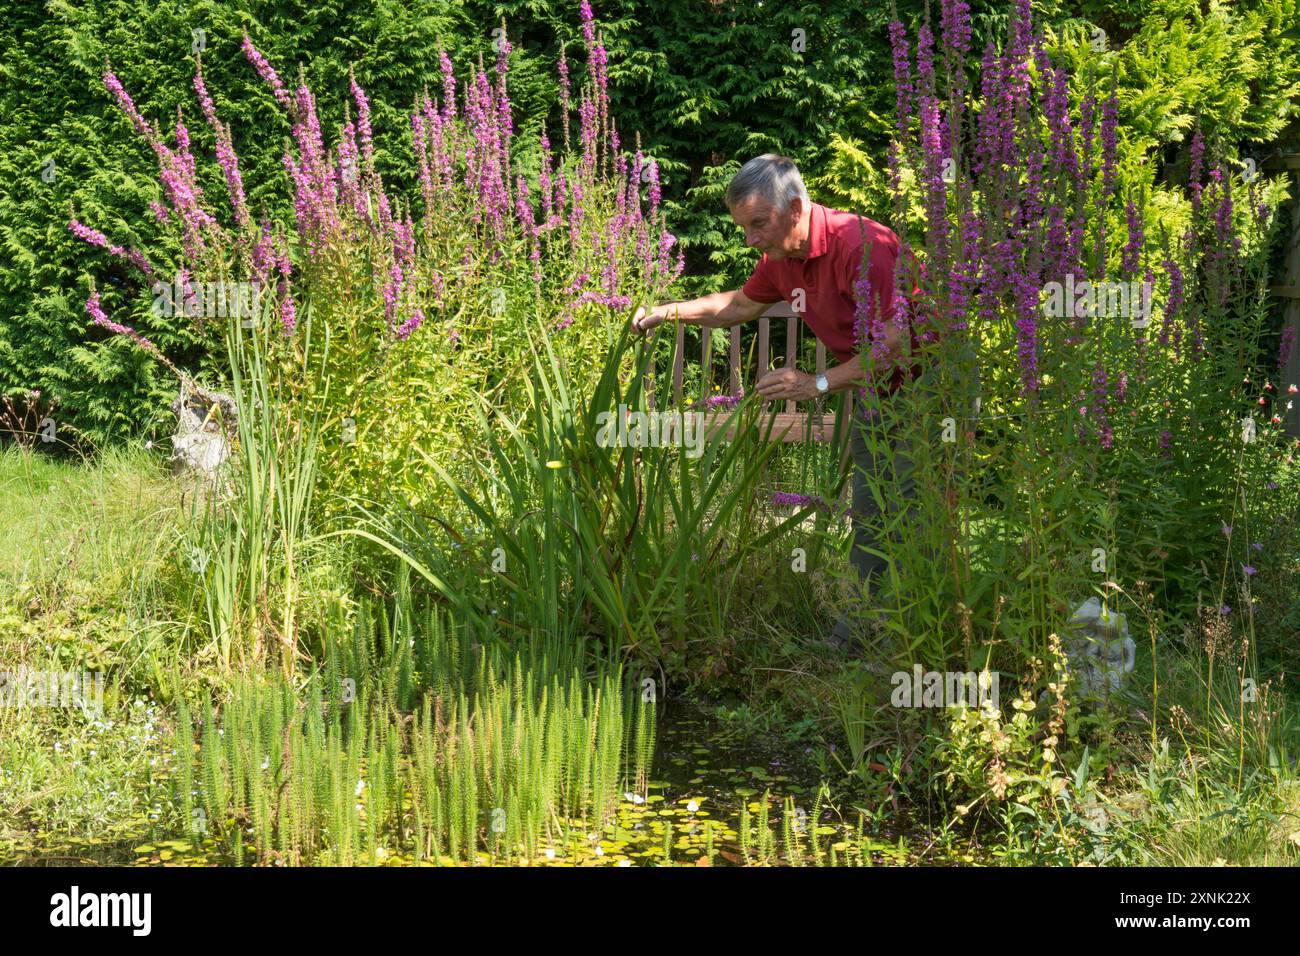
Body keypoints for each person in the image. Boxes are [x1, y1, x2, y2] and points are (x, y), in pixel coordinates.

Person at [631, 153, 924, 652]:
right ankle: (856, 642)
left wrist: (819, 384)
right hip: (879, 391)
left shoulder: (863, 247)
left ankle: (923, 650)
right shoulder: (781, 261)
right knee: (872, 513)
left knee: (917, 515)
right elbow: (739, 305)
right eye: (745, 228)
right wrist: (665, 312)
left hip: (932, 389)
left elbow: (901, 340)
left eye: (758, 224)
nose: (751, 240)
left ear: (794, 208)